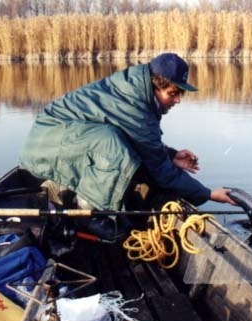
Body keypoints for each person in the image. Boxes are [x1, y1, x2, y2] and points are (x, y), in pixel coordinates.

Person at [20, 53, 235, 219]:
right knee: (112, 145)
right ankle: (92, 211)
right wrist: (208, 194)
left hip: (56, 140)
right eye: (173, 93)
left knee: (118, 145)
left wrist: (170, 155)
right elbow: (160, 171)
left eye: (181, 94)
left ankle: (76, 194)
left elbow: (142, 143)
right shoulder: (135, 107)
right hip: (46, 145)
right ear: (156, 85)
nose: (178, 100)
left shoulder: (135, 90)